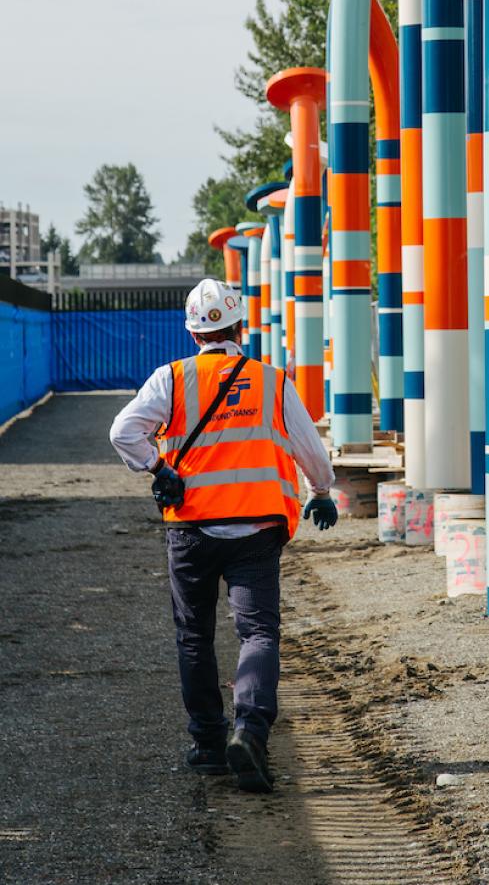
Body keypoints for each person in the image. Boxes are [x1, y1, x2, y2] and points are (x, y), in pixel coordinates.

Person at [109, 277, 338, 795]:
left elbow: (123, 431)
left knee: (194, 636)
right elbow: (311, 451)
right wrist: (322, 491)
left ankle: (209, 746)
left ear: (193, 334)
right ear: (241, 327)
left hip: (189, 529)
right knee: (257, 633)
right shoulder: (271, 381)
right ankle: (250, 733)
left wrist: (156, 467)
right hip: (256, 529)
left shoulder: (170, 379)